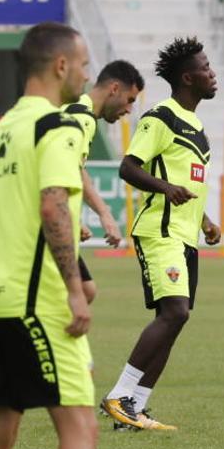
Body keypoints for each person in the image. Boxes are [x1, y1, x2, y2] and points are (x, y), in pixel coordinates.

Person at [0, 22, 97, 449]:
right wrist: (75, 291)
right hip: (35, 301)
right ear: (61, 65)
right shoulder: (56, 125)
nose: (85, 76)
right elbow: (52, 203)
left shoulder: (6, 125)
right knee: (81, 427)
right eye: (82, 65)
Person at [100, 37, 221, 431]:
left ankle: (134, 408)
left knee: (176, 318)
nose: (212, 73)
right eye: (205, 68)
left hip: (186, 236)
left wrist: (205, 221)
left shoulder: (199, 127)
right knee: (175, 312)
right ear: (188, 77)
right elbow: (128, 167)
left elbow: (188, 181)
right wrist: (166, 189)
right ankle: (119, 395)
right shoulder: (160, 117)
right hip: (161, 232)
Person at [63, 60, 145, 303]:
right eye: (130, 100)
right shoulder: (80, 118)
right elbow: (66, 169)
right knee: (73, 295)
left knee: (86, 290)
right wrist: (69, 217)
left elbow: (76, 168)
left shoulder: (79, 114)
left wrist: (101, 213)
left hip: (60, 220)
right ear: (114, 89)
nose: (129, 110)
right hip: (48, 223)